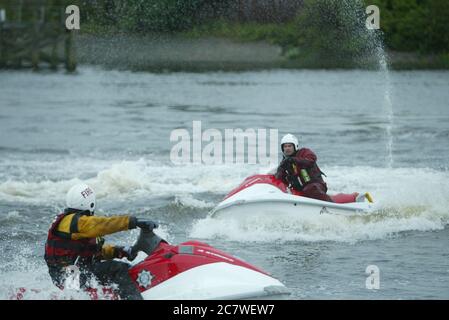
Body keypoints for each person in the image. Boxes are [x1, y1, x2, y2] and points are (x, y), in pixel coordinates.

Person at [44, 183, 157, 300]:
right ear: (90, 203)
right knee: (119, 269)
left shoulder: (73, 223)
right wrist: (134, 222)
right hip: (70, 279)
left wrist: (119, 251)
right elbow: (104, 224)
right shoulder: (76, 222)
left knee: (121, 269)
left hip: (70, 276)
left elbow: (92, 252)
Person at [275, 134, 333, 202]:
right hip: (299, 191)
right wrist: (281, 169)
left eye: (289, 146)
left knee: (310, 189)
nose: (287, 148)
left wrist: (294, 160)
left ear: (295, 146)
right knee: (305, 190)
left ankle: (332, 206)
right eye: (285, 146)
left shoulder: (304, 152)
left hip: (315, 185)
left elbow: (312, 160)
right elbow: (280, 179)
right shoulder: (285, 163)